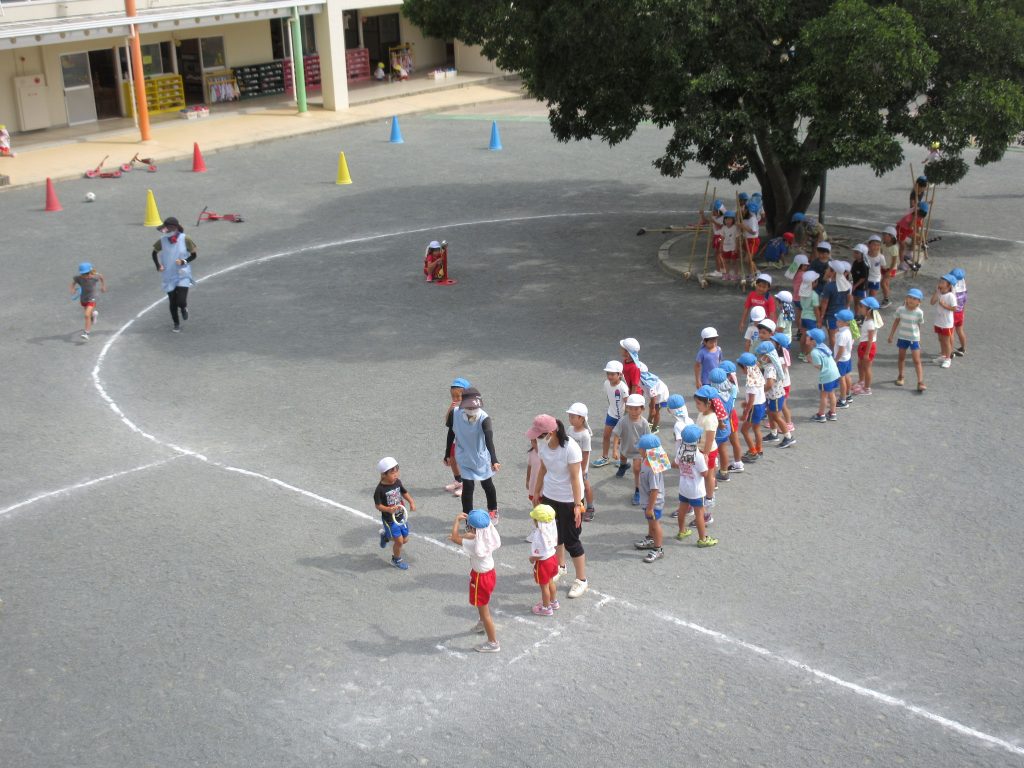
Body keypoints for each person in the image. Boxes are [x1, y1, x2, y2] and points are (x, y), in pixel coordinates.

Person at [527, 414, 589, 599]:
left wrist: (577, 505)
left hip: (569, 499)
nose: (536, 438)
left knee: (572, 541)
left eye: (539, 434)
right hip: (550, 496)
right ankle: (560, 567)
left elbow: (575, 478)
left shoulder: (571, 448)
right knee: (554, 537)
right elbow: (543, 469)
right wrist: (538, 492)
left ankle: (581, 580)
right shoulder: (544, 445)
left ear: (551, 432)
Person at [449, 509, 502, 652]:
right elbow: (472, 536)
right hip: (489, 573)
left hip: (480, 578)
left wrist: (456, 521)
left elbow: (454, 538)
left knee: (484, 610)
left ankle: (493, 643)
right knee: (482, 604)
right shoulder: (487, 536)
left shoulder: (474, 545)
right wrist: (467, 535)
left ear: (474, 529)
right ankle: (481, 623)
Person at [445, 387, 501, 521]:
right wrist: (447, 453)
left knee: (487, 484)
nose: (472, 410)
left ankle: (493, 510)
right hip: (464, 457)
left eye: (474, 408)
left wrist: (494, 459)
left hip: (481, 459)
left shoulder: (484, 419)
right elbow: (451, 433)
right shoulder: (455, 414)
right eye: (469, 408)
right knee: (468, 487)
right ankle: (467, 516)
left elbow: (489, 439)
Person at [672, 424, 716, 547]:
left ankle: (682, 531)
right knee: (699, 515)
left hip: (683, 487)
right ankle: (703, 539)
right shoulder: (699, 456)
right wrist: (706, 462)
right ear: (697, 440)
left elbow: (674, 464)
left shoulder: (680, 450)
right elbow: (704, 474)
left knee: (682, 510)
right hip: (696, 491)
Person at [151, 217, 197, 333]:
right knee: (172, 302)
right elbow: (154, 252)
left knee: (180, 301)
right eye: (165, 228)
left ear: (175, 228)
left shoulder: (185, 238)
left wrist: (184, 261)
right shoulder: (162, 240)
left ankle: (183, 307)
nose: (165, 230)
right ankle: (176, 323)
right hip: (168, 275)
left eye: (168, 228)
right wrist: (158, 265)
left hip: (182, 274)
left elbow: (193, 255)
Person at [632, 433, 671, 562]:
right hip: (648, 500)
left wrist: (650, 507)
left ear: (647, 451)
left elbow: (655, 490)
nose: (639, 450)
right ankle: (650, 538)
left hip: (654, 502)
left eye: (641, 448)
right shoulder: (646, 461)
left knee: (655, 524)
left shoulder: (652, 469)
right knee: (651, 522)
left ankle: (658, 548)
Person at [373, 456, 415, 570]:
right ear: (383, 475)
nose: (396, 475)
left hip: (401, 516)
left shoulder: (397, 482)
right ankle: (396, 559)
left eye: (397, 471)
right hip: (390, 520)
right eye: (392, 473)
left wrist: (411, 502)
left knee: (405, 539)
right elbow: (378, 505)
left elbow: (404, 492)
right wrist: (388, 509)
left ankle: (385, 536)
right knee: (399, 542)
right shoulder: (380, 490)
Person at [611, 393, 650, 499]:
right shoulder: (623, 421)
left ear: (642, 409)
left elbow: (648, 439)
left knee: (637, 469)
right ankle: (623, 465)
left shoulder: (644, 423)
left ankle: (638, 490)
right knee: (623, 457)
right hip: (625, 447)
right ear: (627, 408)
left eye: (636, 409)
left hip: (638, 451)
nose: (633, 411)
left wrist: (648, 454)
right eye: (631, 408)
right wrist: (615, 450)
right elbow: (616, 435)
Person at [888, 288, 927, 393]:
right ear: (906, 298)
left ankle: (920, 382)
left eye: (914, 298)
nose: (911, 300)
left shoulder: (919, 313)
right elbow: (896, 321)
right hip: (902, 337)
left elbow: (919, 324)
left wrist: (919, 338)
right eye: (909, 297)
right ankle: (901, 376)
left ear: (919, 302)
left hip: (914, 339)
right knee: (901, 358)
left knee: (917, 360)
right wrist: (891, 335)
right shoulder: (900, 309)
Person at [593, 360, 629, 468]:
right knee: (606, 436)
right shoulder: (606, 384)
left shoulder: (623, 387)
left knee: (623, 439)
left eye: (612, 374)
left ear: (619, 375)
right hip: (611, 415)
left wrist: (625, 418)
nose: (609, 376)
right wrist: (612, 409)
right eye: (608, 373)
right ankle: (605, 457)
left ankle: (622, 459)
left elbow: (628, 403)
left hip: (623, 417)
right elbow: (610, 398)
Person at [756, 341, 792, 447]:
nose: (760, 357)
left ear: (768, 356)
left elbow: (770, 384)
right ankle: (773, 433)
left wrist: (761, 391)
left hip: (775, 396)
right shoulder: (770, 364)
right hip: (772, 395)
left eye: (762, 355)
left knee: (776, 416)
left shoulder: (770, 368)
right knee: (770, 413)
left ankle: (788, 437)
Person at [527, 504, 560, 615]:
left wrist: (531, 558)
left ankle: (546, 608)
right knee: (550, 581)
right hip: (553, 558)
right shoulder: (551, 528)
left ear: (537, 521)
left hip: (544, 563)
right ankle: (553, 601)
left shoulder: (538, 535)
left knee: (544, 586)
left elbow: (538, 554)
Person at [566, 402, 596, 521]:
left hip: (581, 466)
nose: (570, 419)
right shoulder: (569, 429)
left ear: (581, 418)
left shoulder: (585, 435)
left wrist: (583, 470)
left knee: (585, 486)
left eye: (573, 417)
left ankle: (590, 508)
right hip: (571, 463)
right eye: (570, 416)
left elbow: (586, 453)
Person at [443, 377, 470, 496]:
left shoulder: (469, 409)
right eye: (453, 396)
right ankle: (458, 480)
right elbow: (447, 421)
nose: (456, 399)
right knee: (452, 460)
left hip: (465, 442)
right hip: (455, 440)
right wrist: (451, 408)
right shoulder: (454, 409)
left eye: (459, 396)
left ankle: (465, 484)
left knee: (463, 463)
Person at [736, 352, 765, 461]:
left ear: (745, 367)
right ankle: (759, 449)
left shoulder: (750, 382)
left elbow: (752, 399)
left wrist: (745, 412)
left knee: (744, 430)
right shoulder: (758, 375)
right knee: (756, 428)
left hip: (754, 408)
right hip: (761, 405)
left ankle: (753, 452)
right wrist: (746, 402)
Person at [806, 329, 840, 421]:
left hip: (826, 376)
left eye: (808, 336)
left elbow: (819, 366)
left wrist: (811, 361)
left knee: (823, 396)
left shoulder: (815, 352)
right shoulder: (823, 346)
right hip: (835, 372)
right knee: (832, 393)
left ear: (813, 340)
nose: (806, 337)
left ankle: (821, 415)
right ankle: (833, 413)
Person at [852, 296, 881, 395]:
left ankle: (867, 388)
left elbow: (870, 340)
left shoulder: (871, 324)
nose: (859, 308)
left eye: (862, 306)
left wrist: (867, 353)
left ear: (869, 310)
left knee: (867, 367)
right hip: (863, 345)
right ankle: (861, 381)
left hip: (868, 347)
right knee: (860, 364)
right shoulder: (866, 319)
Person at [71, 262, 106, 340]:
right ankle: (94, 315)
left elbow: (101, 277)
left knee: (87, 315)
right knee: (89, 316)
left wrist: (103, 286)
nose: (85, 275)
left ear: (90, 272)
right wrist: (72, 289)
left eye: (86, 273)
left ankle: (86, 333)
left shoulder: (94, 277)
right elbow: (73, 283)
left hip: (92, 298)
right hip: (83, 299)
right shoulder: (79, 278)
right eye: (83, 274)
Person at [740, 275, 776, 351]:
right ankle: (750, 353)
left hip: (765, 323)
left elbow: (772, 314)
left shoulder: (769, 299)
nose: (761, 288)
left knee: (763, 339)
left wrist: (771, 328)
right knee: (751, 338)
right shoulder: (751, 295)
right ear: (756, 284)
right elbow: (746, 308)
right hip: (753, 320)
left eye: (764, 287)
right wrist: (742, 322)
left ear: (768, 288)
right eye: (759, 286)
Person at [930, 274, 958, 369]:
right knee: (940, 339)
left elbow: (954, 308)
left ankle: (948, 358)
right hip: (939, 321)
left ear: (949, 286)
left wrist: (944, 305)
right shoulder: (940, 293)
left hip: (947, 323)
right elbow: (932, 302)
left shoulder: (951, 296)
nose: (940, 283)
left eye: (942, 282)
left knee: (946, 341)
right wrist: (936, 292)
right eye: (940, 282)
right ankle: (943, 356)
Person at [819, 260, 849, 347]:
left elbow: (824, 303)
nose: (826, 270)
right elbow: (848, 299)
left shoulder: (829, 286)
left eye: (828, 269)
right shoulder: (846, 284)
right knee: (840, 334)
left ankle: (835, 354)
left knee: (832, 336)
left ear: (833, 272)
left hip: (831, 315)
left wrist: (821, 316)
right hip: (842, 313)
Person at [833, 309, 855, 408]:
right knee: (847, 376)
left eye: (838, 320)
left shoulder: (842, 335)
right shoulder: (848, 331)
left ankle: (842, 400)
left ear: (844, 322)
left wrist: (835, 360)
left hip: (841, 360)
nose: (836, 321)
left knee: (841, 380)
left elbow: (840, 349)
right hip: (847, 357)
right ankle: (848, 395)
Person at [797, 270, 821, 362]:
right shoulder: (814, 295)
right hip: (811, 319)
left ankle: (802, 352)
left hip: (803, 317)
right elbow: (816, 309)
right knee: (810, 338)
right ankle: (807, 355)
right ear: (813, 283)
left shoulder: (802, 293)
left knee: (803, 336)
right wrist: (819, 321)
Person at [717, 210, 740, 281]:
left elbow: (737, 239)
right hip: (725, 247)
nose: (728, 221)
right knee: (726, 261)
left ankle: (736, 274)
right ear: (724, 220)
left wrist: (736, 248)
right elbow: (722, 238)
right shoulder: (723, 228)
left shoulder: (735, 228)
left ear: (733, 220)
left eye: (730, 219)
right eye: (726, 219)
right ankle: (727, 274)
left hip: (733, 248)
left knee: (734, 261)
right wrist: (720, 246)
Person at [740, 201, 762, 275]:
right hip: (746, 239)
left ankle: (756, 272)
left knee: (748, 259)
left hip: (752, 240)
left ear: (748, 210)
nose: (743, 210)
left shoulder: (752, 218)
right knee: (746, 260)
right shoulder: (745, 217)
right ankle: (751, 273)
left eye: (744, 209)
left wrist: (743, 227)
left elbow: (753, 232)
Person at [880, 227, 900, 307]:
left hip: (890, 268)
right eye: (883, 235)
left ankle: (886, 299)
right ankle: (886, 297)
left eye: (885, 235)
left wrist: (889, 271)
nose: (883, 237)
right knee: (886, 283)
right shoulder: (883, 245)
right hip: (884, 267)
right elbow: (881, 254)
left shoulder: (894, 248)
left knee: (883, 283)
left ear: (891, 237)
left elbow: (894, 261)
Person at [951, 267, 968, 356]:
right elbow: (964, 301)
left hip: (953, 313)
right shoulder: (964, 288)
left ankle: (950, 351)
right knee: (960, 330)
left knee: (951, 333)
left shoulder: (952, 288)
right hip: (960, 312)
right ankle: (963, 348)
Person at [865, 235, 886, 303]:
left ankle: (870, 311)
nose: (876, 247)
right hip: (865, 278)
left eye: (878, 245)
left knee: (872, 298)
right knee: (863, 296)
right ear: (868, 245)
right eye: (874, 245)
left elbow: (883, 267)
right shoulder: (864, 256)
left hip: (875, 279)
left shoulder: (881, 257)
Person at [850, 244, 869, 319]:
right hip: (855, 285)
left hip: (862, 287)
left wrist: (854, 286)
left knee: (862, 303)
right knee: (856, 302)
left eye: (857, 253)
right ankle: (856, 315)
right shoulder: (855, 262)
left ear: (862, 254)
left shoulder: (864, 265)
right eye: (854, 252)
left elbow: (863, 278)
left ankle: (863, 317)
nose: (855, 254)